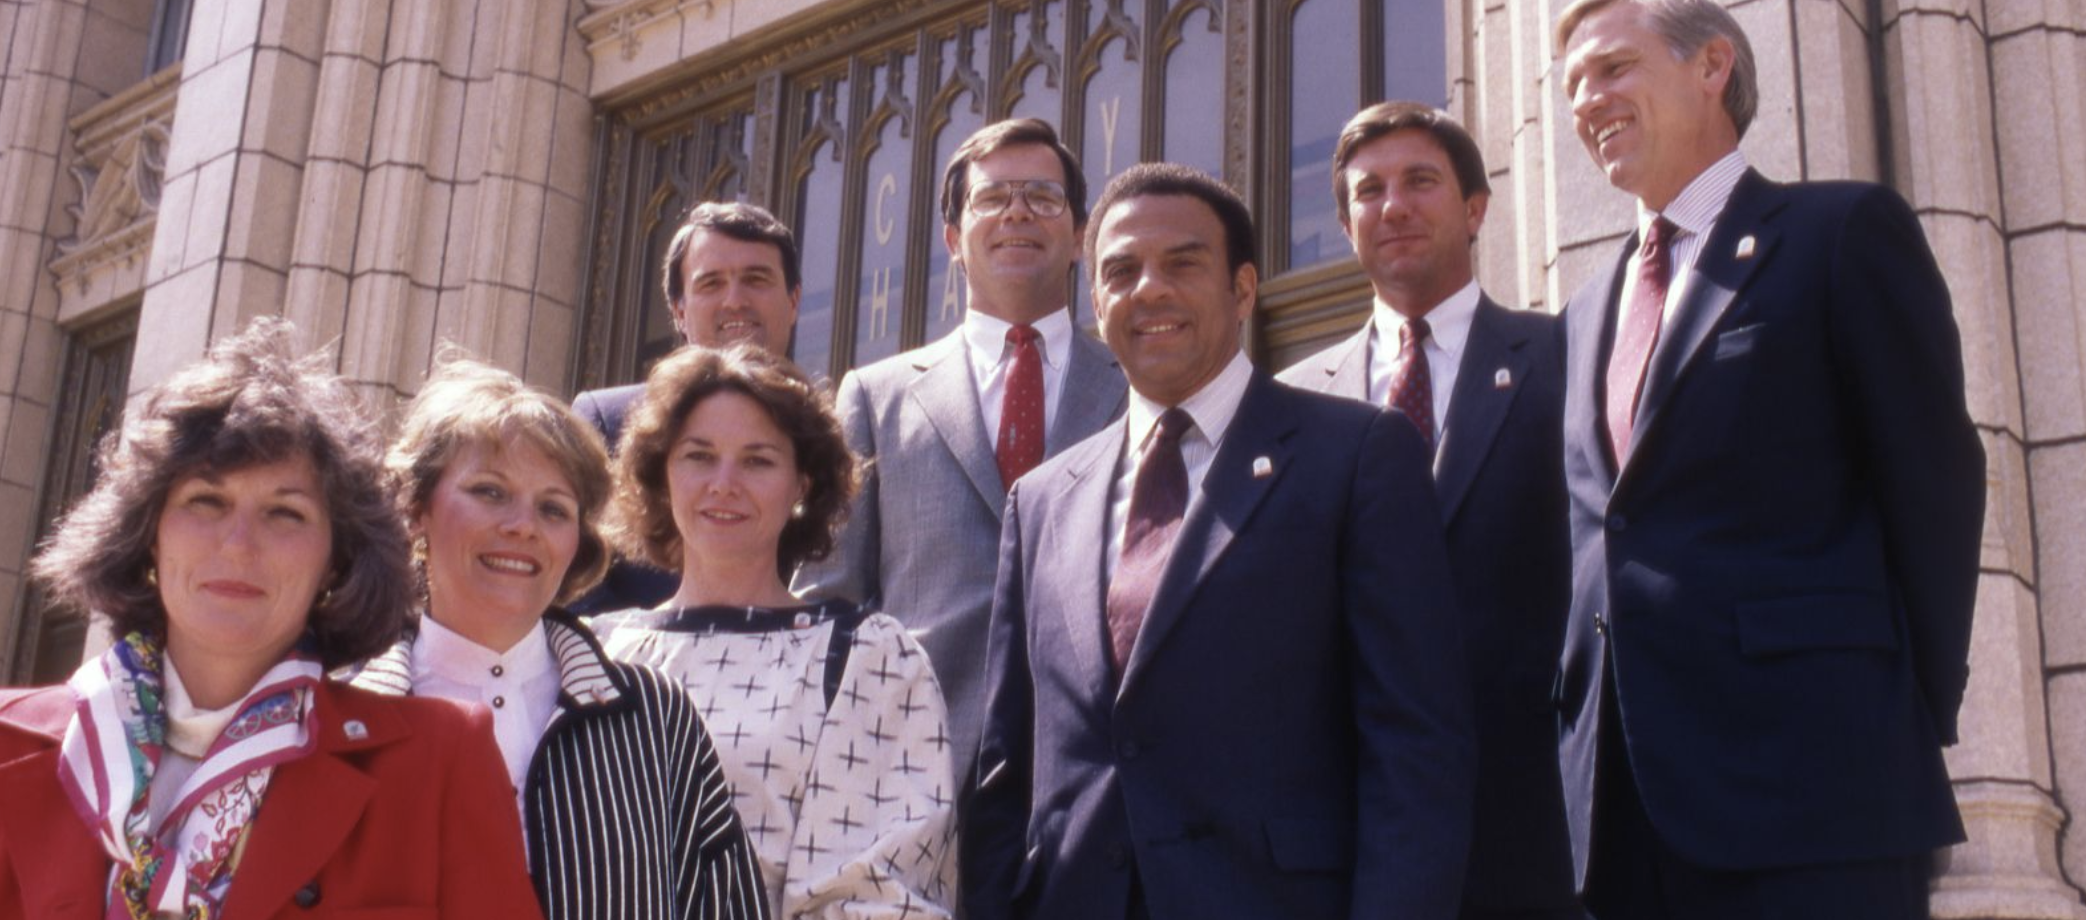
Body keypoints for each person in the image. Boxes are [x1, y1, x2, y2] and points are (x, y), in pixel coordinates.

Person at [1552, 1, 1984, 917]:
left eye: (1613, 69)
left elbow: (1936, 484)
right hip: (1622, 817)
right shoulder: (1584, 313)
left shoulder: (1840, 233)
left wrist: (1897, 704)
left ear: (1712, 66)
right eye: (1573, 87)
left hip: (1816, 787)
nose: (1588, 102)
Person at [965, 163, 1475, 920]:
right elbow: (1006, 766)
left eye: (1183, 263)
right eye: (1121, 271)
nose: (1150, 289)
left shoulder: (1357, 454)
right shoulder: (1039, 500)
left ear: (1243, 289)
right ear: (1095, 302)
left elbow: (1415, 746)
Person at [0, 318, 545, 919]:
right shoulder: (10, 743)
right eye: (205, 502)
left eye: (284, 514)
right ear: (147, 538)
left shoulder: (439, 760)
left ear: (337, 560)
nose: (238, 544)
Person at [1277, 101, 1578, 920]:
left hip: (1536, 817)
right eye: (1368, 191)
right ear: (1345, 224)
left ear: (1476, 208)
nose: (1394, 206)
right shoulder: (1291, 403)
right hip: (1353, 828)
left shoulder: (1566, 358)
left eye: (1420, 181)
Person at [347, 356, 770, 920]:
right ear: (416, 508)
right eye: (490, 492)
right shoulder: (342, 722)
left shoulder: (656, 717)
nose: (523, 526)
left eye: (553, 508)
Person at [793, 119, 1127, 791]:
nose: (1017, 212)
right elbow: (828, 600)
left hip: (1099, 767)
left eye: (1042, 195)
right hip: (915, 763)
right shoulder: (875, 397)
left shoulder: (1134, 387)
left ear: (1079, 238)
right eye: (992, 197)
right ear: (953, 240)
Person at [594, 344, 957, 918]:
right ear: (662, 473)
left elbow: (880, 899)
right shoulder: (595, 653)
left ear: (802, 486)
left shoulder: (867, 658)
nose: (724, 483)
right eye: (698, 456)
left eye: (758, 460)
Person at [571, 200, 805, 613]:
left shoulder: (826, 428)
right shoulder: (606, 422)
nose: (735, 300)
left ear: (794, 301)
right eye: (711, 283)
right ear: (679, 312)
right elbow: (577, 580)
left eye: (756, 279)